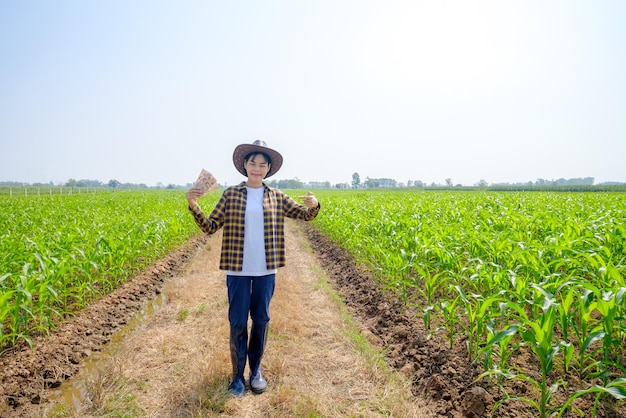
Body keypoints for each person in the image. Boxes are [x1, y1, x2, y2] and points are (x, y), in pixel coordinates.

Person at [186, 140, 321, 397]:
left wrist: (314, 205)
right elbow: (211, 227)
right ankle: (237, 376)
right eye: (252, 163)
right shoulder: (231, 194)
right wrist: (194, 206)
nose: (256, 168)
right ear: (244, 165)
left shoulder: (276, 196)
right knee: (237, 321)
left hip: (266, 269)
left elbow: (304, 214)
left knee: (261, 320)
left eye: (262, 165)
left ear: (268, 168)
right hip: (237, 269)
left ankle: (255, 370)